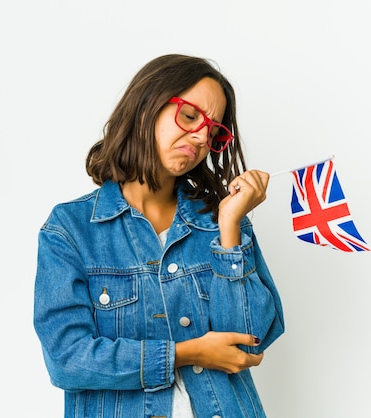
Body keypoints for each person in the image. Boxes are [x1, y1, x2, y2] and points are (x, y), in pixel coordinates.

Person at [34, 53, 285, 418]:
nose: (200, 136)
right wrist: (187, 352)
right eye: (189, 115)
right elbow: (67, 359)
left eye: (213, 131)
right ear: (146, 105)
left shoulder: (222, 221)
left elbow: (250, 340)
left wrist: (230, 227)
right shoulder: (71, 230)